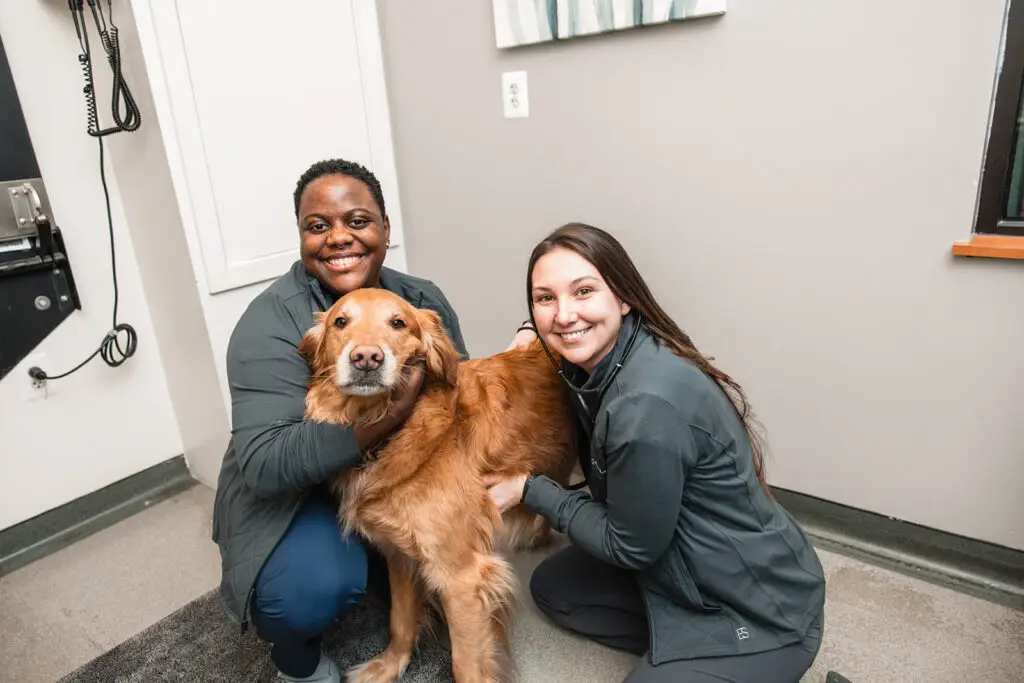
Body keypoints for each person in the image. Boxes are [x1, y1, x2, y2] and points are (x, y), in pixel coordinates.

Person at [211, 159, 524, 683]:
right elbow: (265, 466)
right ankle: (298, 661)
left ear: (383, 228)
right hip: (291, 486)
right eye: (319, 226)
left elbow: (457, 394)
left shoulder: (421, 298)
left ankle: (414, 637)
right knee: (304, 591)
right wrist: (394, 412)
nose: (339, 238)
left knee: (437, 561)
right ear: (302, 237)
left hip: (381, 471)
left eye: (357, 221)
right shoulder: (269, 323)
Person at [486, 223, 826, 683]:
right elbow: (554, 325)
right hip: (686, 566)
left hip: (765, 614)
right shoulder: (617, 356)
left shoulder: (644, 405)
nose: (564, 314)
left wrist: (531, 489)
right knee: (555, 589)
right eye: (545, 299)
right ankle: (688, 648)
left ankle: (733, 662)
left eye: (583, 291)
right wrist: (530, 332)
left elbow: (629, 546)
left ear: (623, 298)